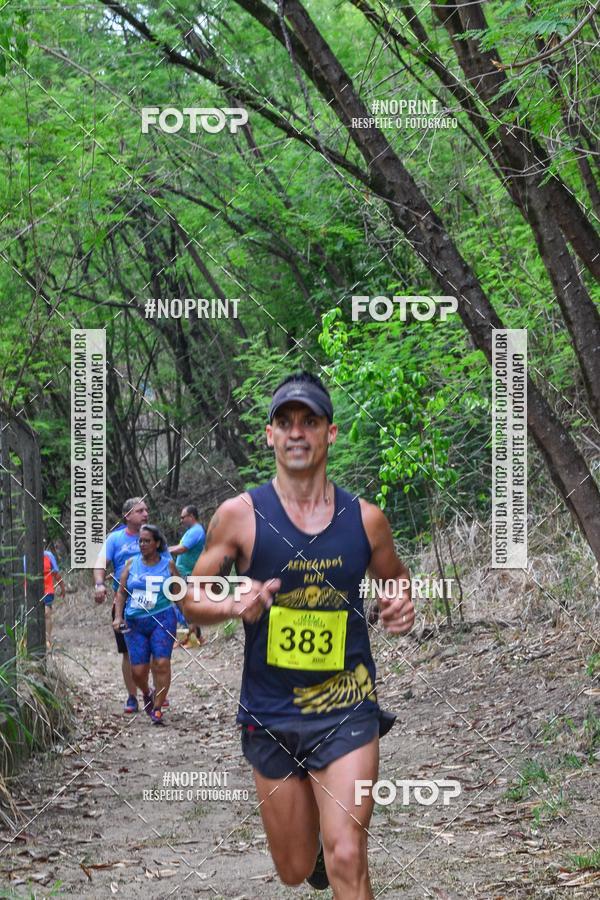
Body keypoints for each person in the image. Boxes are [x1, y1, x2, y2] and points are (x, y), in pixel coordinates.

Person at [182, 371, 415, 898]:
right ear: (269, 435)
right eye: (284, 422)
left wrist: (400, 605)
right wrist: (231, 602)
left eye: (309, 421)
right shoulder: (239, 517)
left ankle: (332, 859)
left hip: (347, 708)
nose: (296, 432)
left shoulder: (366, 520)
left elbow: (395, 578)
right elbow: (191, 596)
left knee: (348, 853)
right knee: (293, 868)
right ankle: (313, 860)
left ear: (329, 433)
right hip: (272, 713)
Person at [113, 525, 179, 726]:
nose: (142, 544)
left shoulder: (168, 565)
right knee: (138, 671)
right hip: (135, 621)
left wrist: (189, 617)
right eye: (140, 541)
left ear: (157, 543)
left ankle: (158, 708)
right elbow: (121, 592)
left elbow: (178, 592)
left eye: (147, 540)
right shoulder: (131, 564)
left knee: (161, 663)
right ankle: (147, 692)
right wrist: (118, 617)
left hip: (162, 619)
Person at [93, 498, 150, 713]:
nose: (145, 514)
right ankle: (132, 697)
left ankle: (150, 693)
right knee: (128, 652)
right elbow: (100, 563)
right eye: (140, 511)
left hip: (150, 601)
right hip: (123, 602)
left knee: (151, 650)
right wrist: (99, 584)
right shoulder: (115, 539)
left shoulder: (152, 535)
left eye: (147, 510)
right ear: (127, 516)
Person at [169, 505, 206, 646]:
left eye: (183, 517)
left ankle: (191, 638)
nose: (181, 520)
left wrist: (162, 551)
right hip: (183, 573)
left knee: (184, 605)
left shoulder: (196, 531)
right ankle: (195, 636)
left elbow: (182, 548)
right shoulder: (191, 531)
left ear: (191, 516)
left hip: (188, 574)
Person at [42, 548, 65, 648]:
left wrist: (62, 588)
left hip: (47, 589)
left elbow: (56, 574)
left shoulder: (48, 555)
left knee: (47, 613)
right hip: (31, 591)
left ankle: (47, 639)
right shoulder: (26, 557)